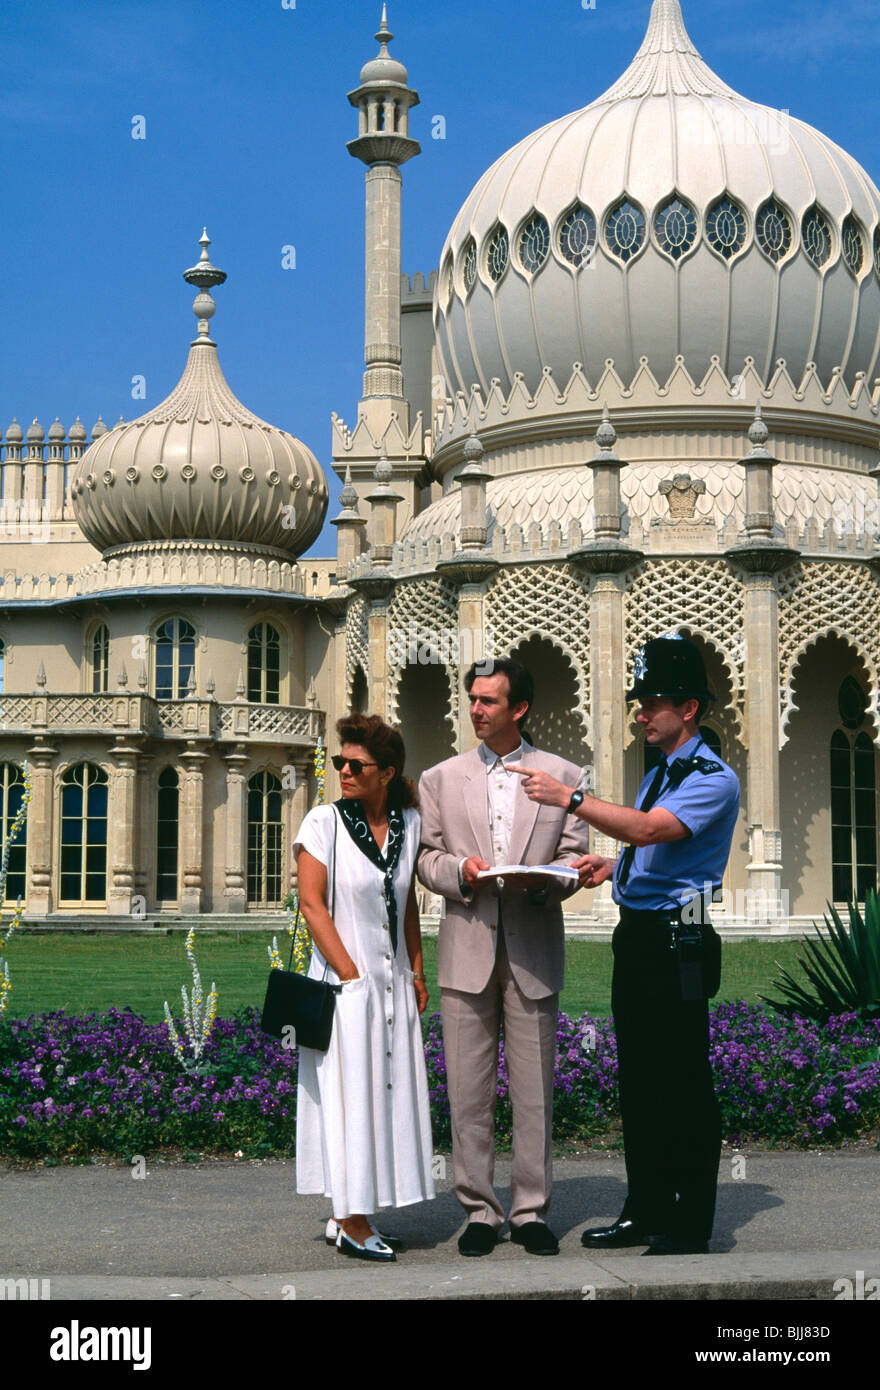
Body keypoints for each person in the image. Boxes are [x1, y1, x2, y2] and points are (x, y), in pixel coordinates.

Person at [514, 636, 740, 1256]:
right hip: (640, 936)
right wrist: (612, 867)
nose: (642, 712)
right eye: (640, 701)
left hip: (679, 937)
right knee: (641, 1080)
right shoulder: (662, 772)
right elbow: (652, 849)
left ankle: (689, 1224)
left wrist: (571, 799)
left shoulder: (711, 778)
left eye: (654, 702)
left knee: (683, 1081)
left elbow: (650, 829)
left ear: (689, 708)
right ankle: (645, 1209)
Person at [417, 657, 590, 1257]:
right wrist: (460, 873)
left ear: (519, 709)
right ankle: (479, 1213)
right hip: (466, 948)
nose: (475, 709)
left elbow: (574, 858)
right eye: (472, 699)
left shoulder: (564, 774)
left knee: (535, 1090)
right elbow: (426, 859)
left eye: (488, 701)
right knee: (467, 1090)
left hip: (533, 948)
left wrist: (545, 881)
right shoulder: (439, 778)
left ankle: (531, 1210)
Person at [294, 712, 435, 1262]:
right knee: (348, 1097)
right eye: (340, 762)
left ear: (388, 772)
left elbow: (407, 909)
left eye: (357, 764)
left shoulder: (410, 823)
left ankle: (346, 1214)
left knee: (380, 1094)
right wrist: (352, 978)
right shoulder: (322, 822)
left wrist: (417, 971)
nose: (344, 771)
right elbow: (312, 905)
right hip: (342, 987)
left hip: (393, 985)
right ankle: (352, 1221)